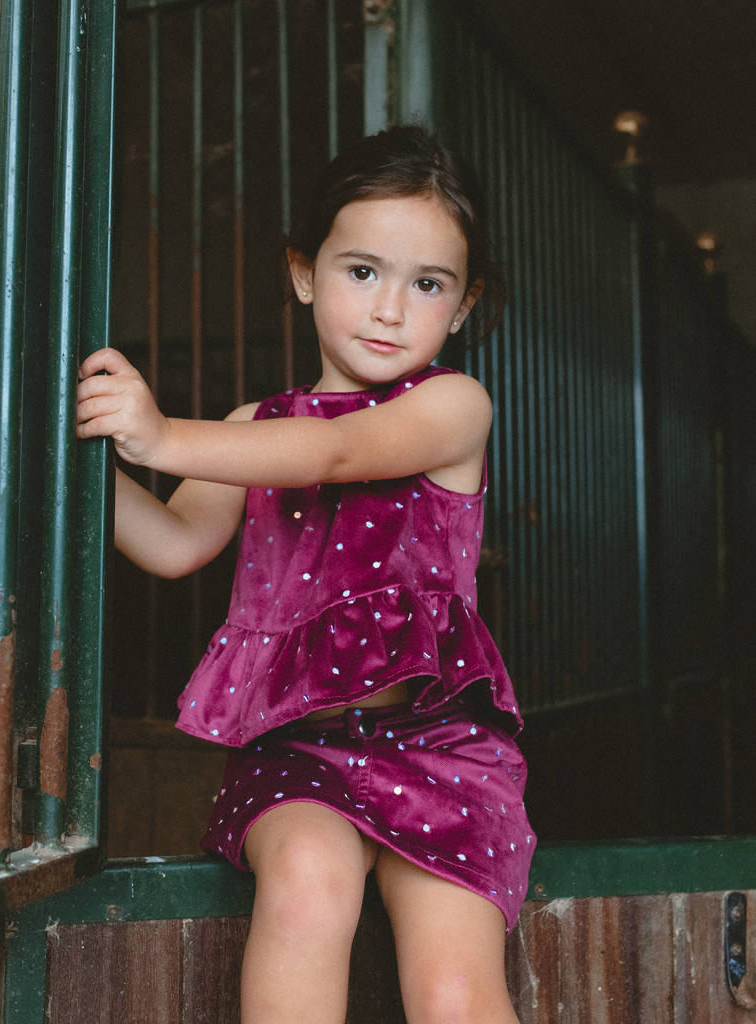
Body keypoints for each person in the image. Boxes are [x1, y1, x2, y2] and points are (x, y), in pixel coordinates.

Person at [76, 124, 531, 1024]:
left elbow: (333, 449)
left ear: (464, 303)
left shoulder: (453, 404)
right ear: (303, 272)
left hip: (443, 752)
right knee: (307, 890)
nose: (391, 309)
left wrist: (162, 434)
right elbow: (174, 543)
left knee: (453, 993)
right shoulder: (253, 425)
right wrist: (82, 462)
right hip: (303, 754)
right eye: (362, 271)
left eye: (428, 284)